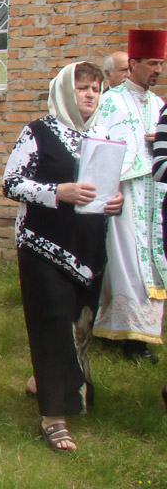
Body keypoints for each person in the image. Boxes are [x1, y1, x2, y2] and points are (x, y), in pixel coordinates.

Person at [3, 61, 123, 453]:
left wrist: (114, 201)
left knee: (79, 323)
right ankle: (53, 418)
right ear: (66, 91)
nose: (90, 94)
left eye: (96, 88)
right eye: (83, 87)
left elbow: (105, 186)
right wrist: (58, 192)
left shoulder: (104, 135)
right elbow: (12, 183)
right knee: (53, 318)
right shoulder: (37, 131)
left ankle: (48, 379)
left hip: (88, 244)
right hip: (43, 243)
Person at [94, 29, 167, 363]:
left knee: (152, 265)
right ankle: (129, 340)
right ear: (133, 62)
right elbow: (100, 148)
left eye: (161, 64)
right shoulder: (110, 101)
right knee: (127, 266)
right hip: (124, 194)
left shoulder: (159, 104)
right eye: (153, 63)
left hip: (155, 196)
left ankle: (145, 336)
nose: (158, 70)